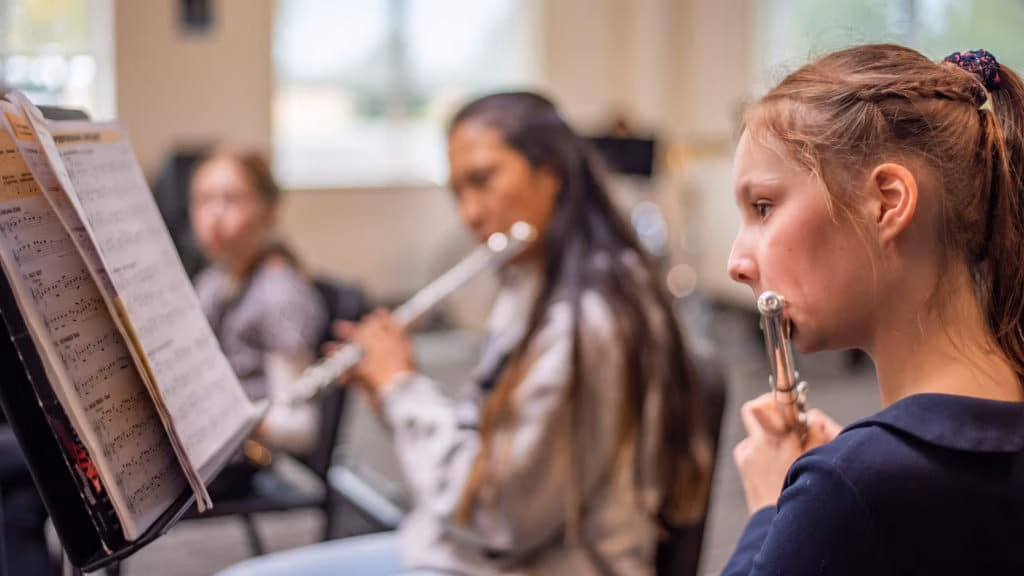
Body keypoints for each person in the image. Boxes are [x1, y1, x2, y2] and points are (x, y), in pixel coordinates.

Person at [218, 91, 711, 575]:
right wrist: (393, 389)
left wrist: (400, 388)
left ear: (553, 172)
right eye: (458, 192)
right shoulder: (534, 284)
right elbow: (489, 442)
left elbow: (493, 514)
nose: (470, 214)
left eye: (483, 180)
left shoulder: (589, 321)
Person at [723, 45, 1024, 575]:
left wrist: (772, 510)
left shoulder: (848, 490)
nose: (737, 264)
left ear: (887, 201)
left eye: (764, 207)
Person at [190, 151, 327, 494]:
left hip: (237, 459)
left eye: (231, 200)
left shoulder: (280, 293)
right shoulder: (212, 281)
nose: (214, 216)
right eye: (203, 200)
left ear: (268, 211)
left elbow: (299, 426)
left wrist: (219, 419)